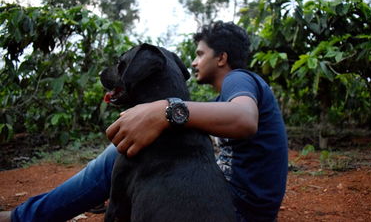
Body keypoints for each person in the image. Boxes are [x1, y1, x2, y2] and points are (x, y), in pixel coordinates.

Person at [0, 21, 288, 222]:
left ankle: (25, 217)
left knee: (124, 152)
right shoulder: (218, 103)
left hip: (233, 211)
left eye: (201, 54)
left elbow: (245, 119)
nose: (195, 62)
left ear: (222, 58)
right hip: (227, 205)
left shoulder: (240, 79)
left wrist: (166, 108)